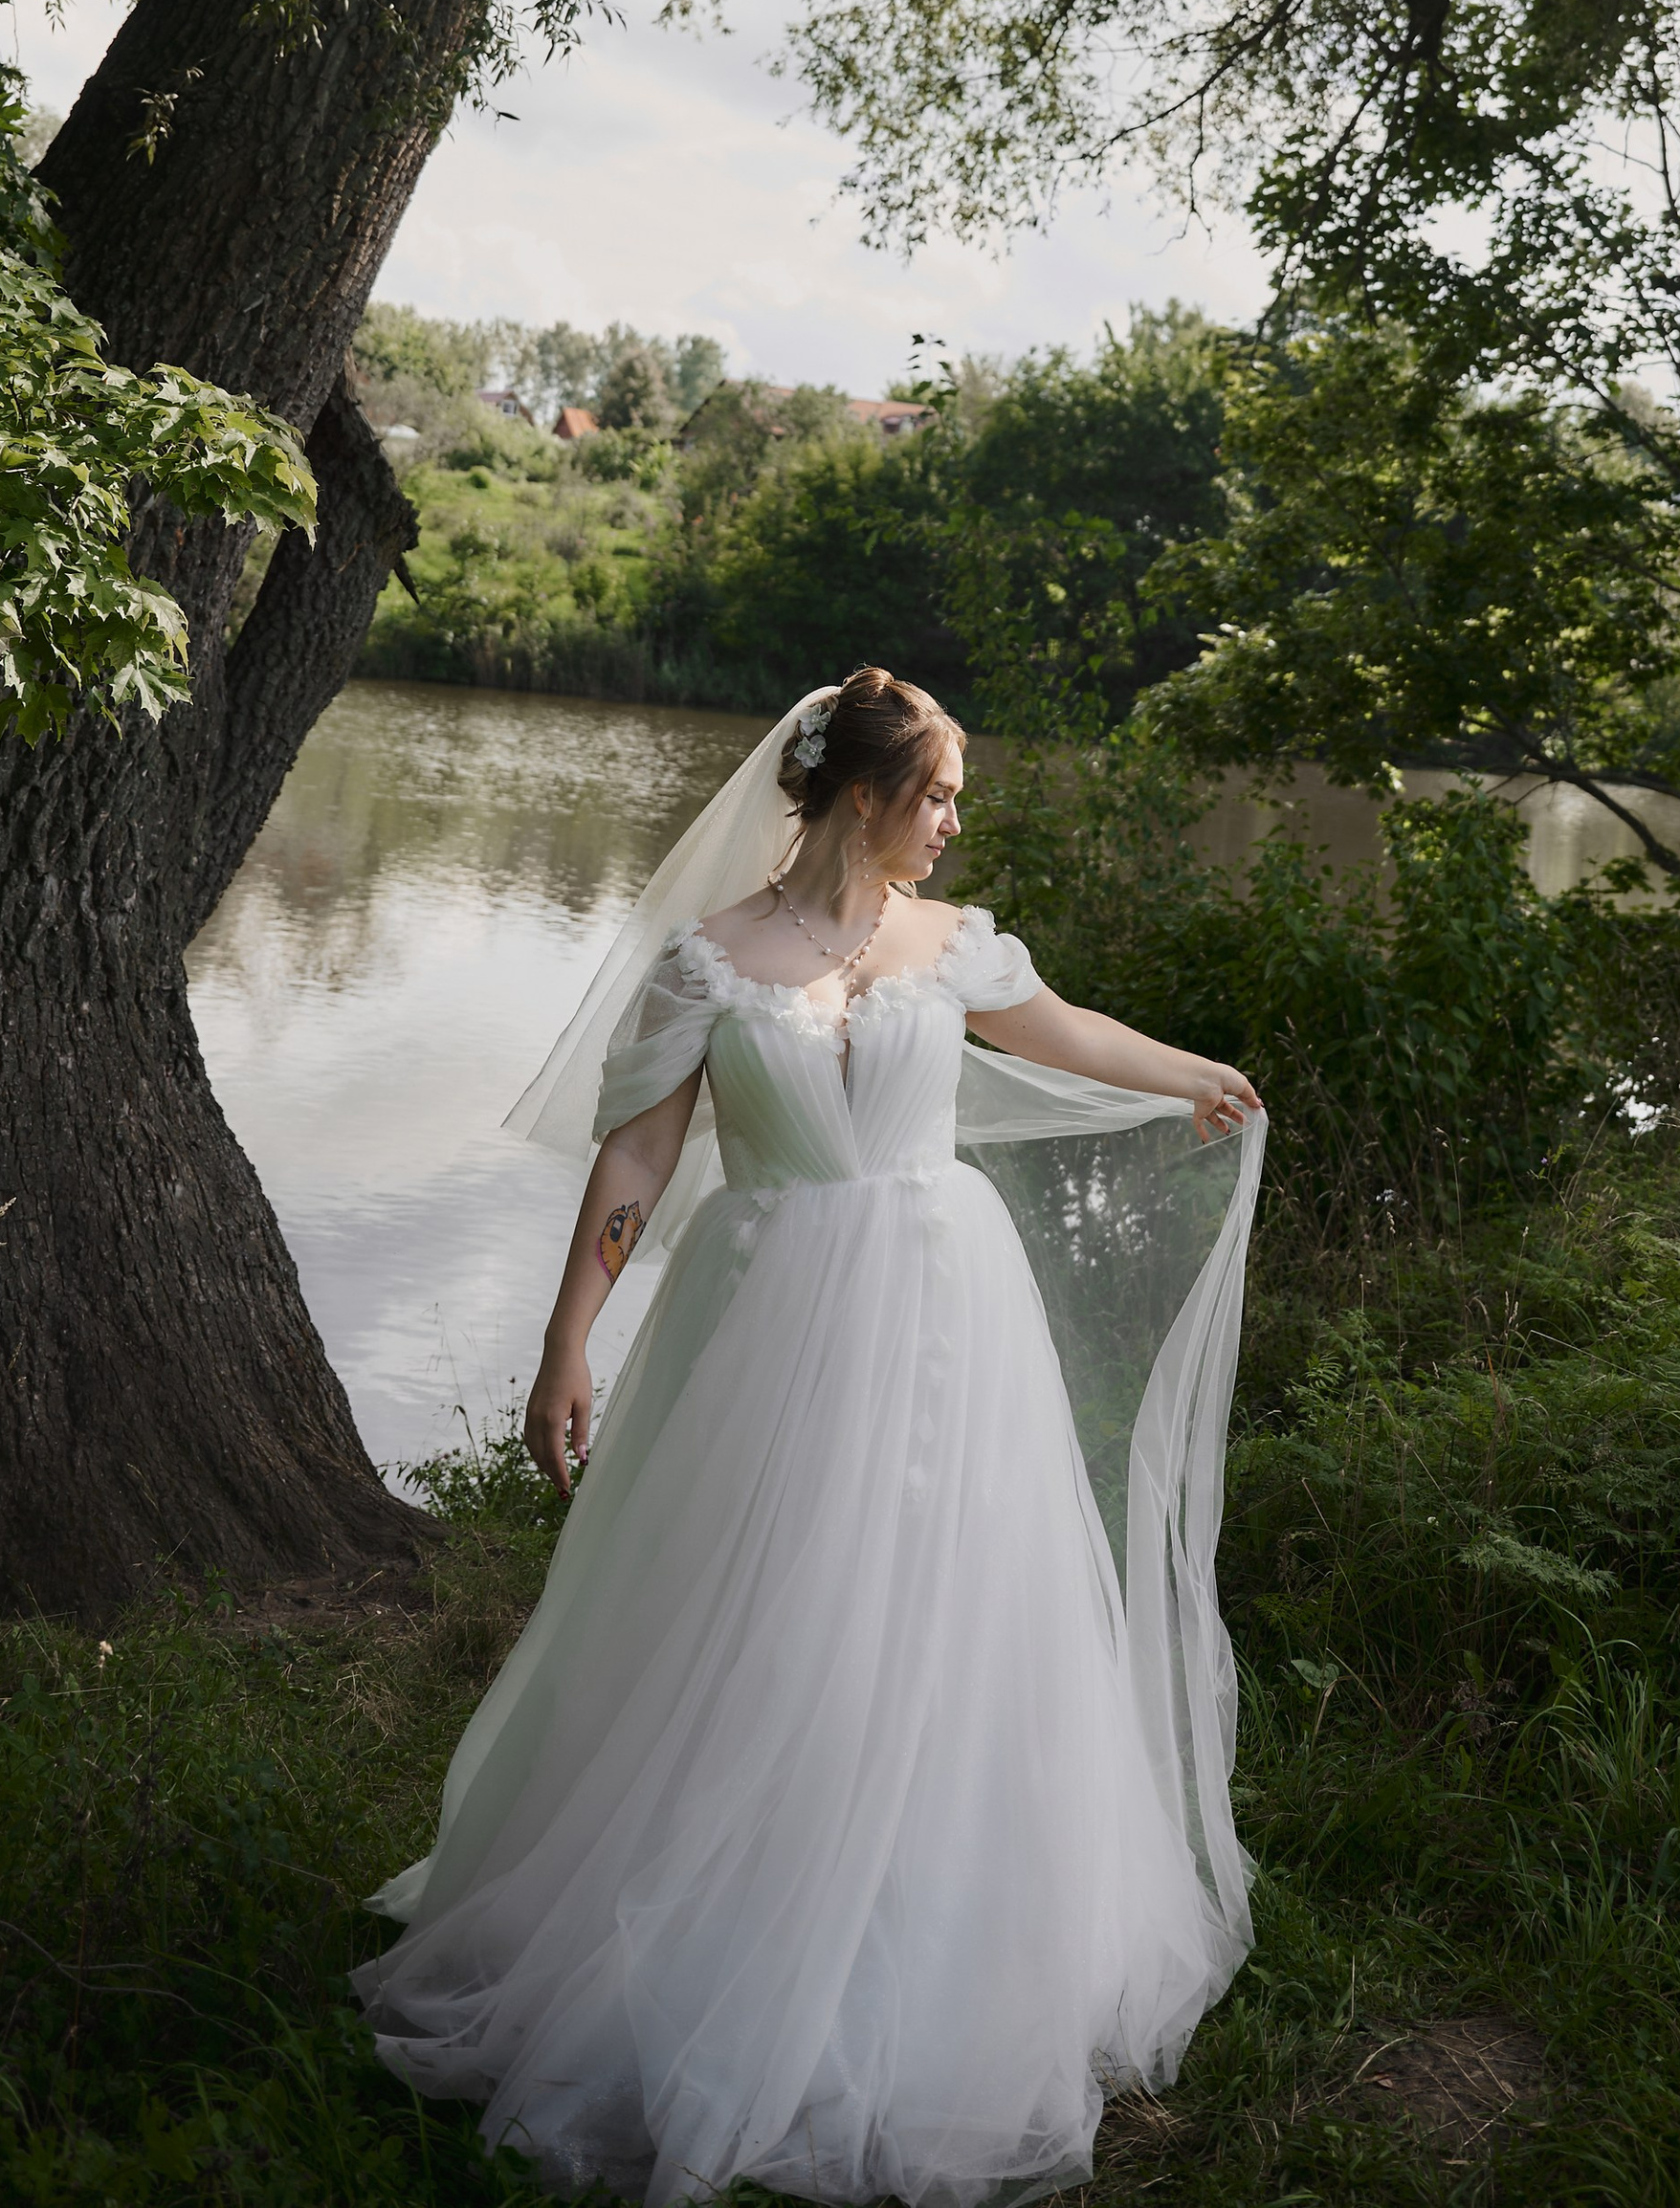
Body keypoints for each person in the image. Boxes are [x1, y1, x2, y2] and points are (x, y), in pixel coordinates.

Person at [355, 664, 1266, 2207]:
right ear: (862, 796)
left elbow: (1055, 1032)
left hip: (945, 1318)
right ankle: (722, 1901)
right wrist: (568, 1340)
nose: (954, 825)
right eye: (939, 795)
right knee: (755, 1610)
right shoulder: (709, 965)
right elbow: (640, 1147)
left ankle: (928, 1902)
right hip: (770, 1320)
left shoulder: (949, 946)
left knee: (944, 1609)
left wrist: (1194, 1075)